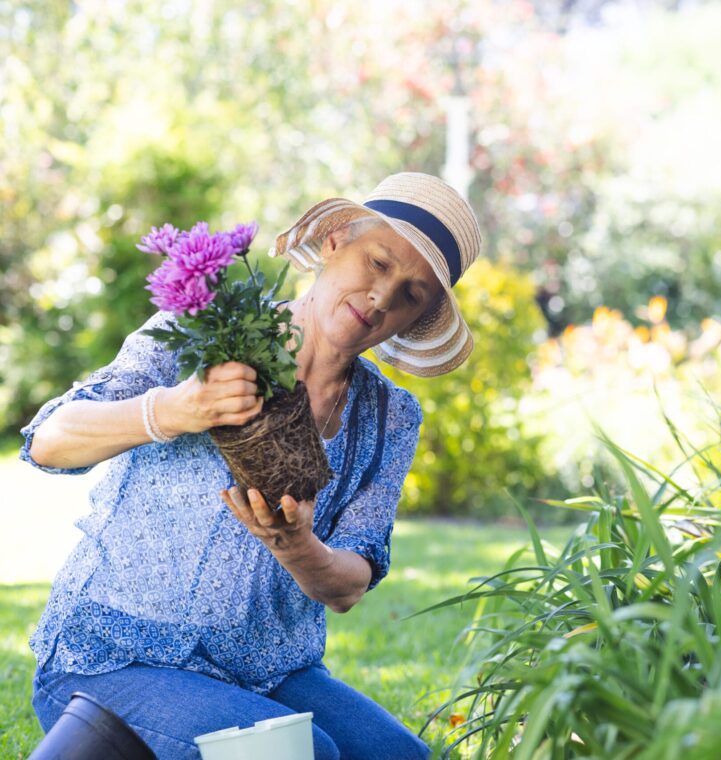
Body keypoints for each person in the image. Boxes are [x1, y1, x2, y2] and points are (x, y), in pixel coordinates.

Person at [20, 172, 483, 759]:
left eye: (412, 294)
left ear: (415, 320)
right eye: (379, 262)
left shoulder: (389, 414)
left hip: (265, 672)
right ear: (336, 242)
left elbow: (348, 585)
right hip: (113, 658)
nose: (383, 297)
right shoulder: (207, 332)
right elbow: (48, 442)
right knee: (301, 752)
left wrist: (298, 548)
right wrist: (174, 408)